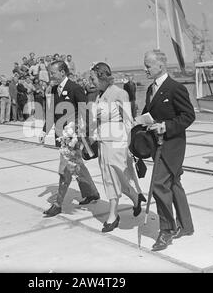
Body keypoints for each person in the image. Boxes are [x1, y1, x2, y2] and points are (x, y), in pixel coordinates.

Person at [141, 49, 195, 251]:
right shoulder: (150, 89)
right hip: (157, 145)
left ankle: (166, 230)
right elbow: (150, 114)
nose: (145, 69)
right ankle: (187, 226)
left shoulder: (175, 88)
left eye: (148, 65)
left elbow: (188, 116)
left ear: (160, 66)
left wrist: (165, 126)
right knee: (173, 183)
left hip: (172, 146)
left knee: (158, 185)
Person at [89, 62, 146, 232]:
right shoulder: (99, 96)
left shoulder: (120, 93)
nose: (91, 82)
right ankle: (135, 198)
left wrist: (131, 146)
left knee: (116, 176)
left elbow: (128, 120)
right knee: (110, 178)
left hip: (117, 143)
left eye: (93, 78)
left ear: (102, 76)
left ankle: (113, 215)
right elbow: (97, 120)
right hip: (103, 143)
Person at [39, 60, 100, 217]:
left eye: (53, 72)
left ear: (62, 72)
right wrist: (44, 131)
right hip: (61, 135)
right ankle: (91, 193)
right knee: (77, 164)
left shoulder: (75, 88)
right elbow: (52, 112)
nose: (50, 75)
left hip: (72, 136)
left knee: (64, 169)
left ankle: (58, 204)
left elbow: (85, 112)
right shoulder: (53, 89)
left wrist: (86, 132)